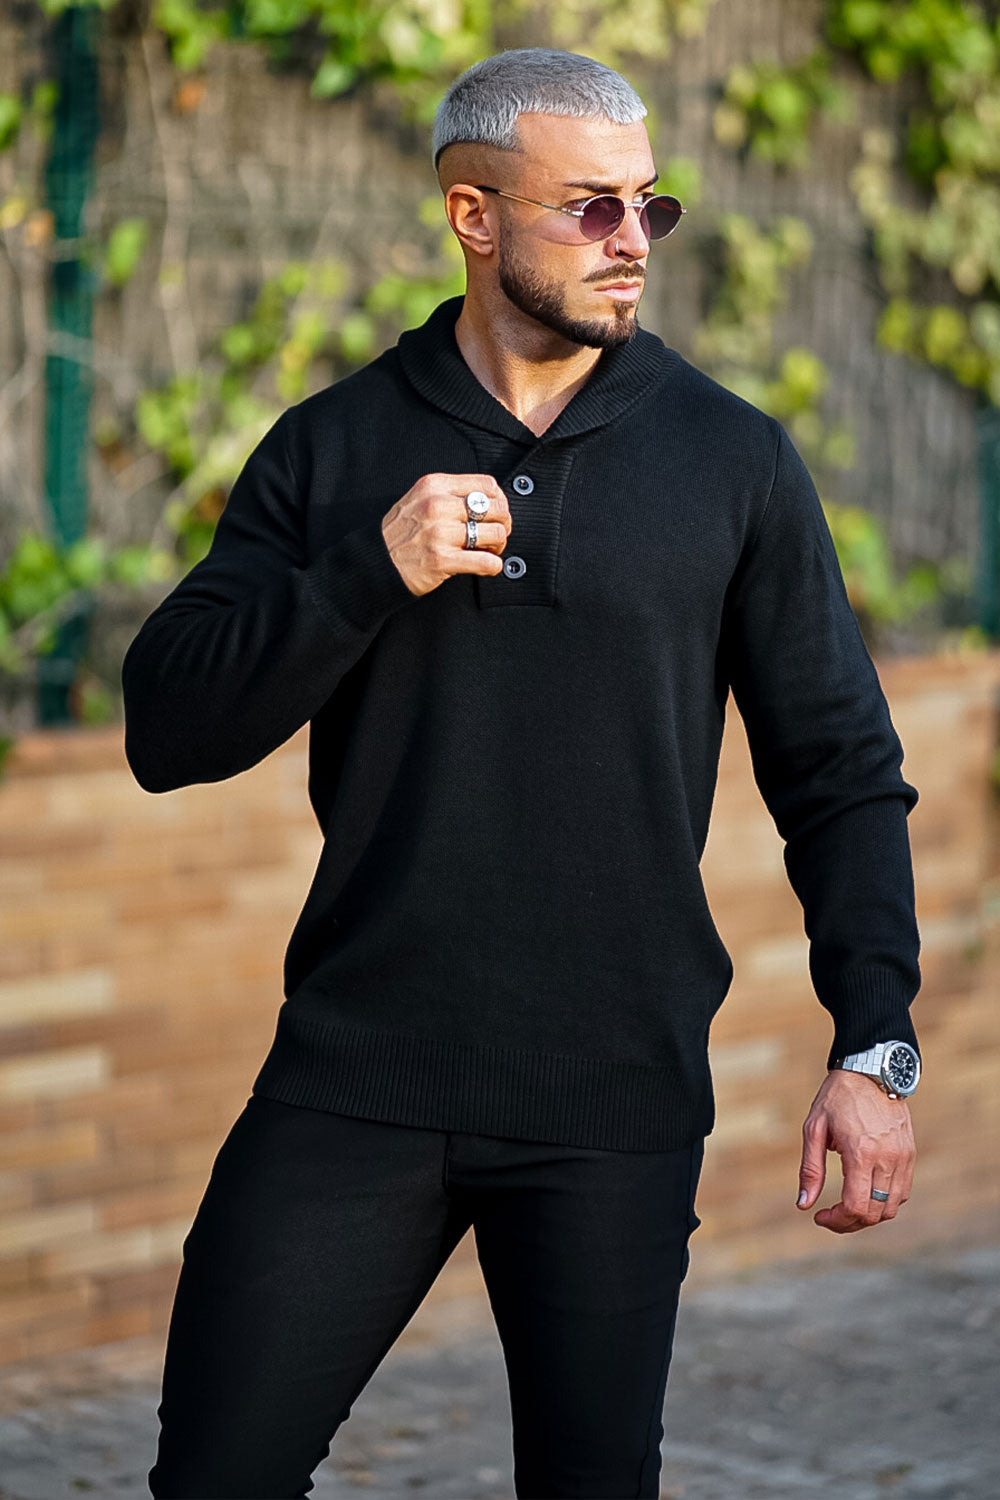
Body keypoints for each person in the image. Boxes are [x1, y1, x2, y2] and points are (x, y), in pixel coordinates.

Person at [124, 45, 922, 1500]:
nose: (634, 241)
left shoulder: (734, 460)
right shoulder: (335, 446)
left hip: (613, 1093)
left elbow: (841, 771)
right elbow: (168, 733)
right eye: (589, 208)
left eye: (648, 205)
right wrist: (368, 571)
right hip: (356, 1075)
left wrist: (874, 1044)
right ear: (473, 216)